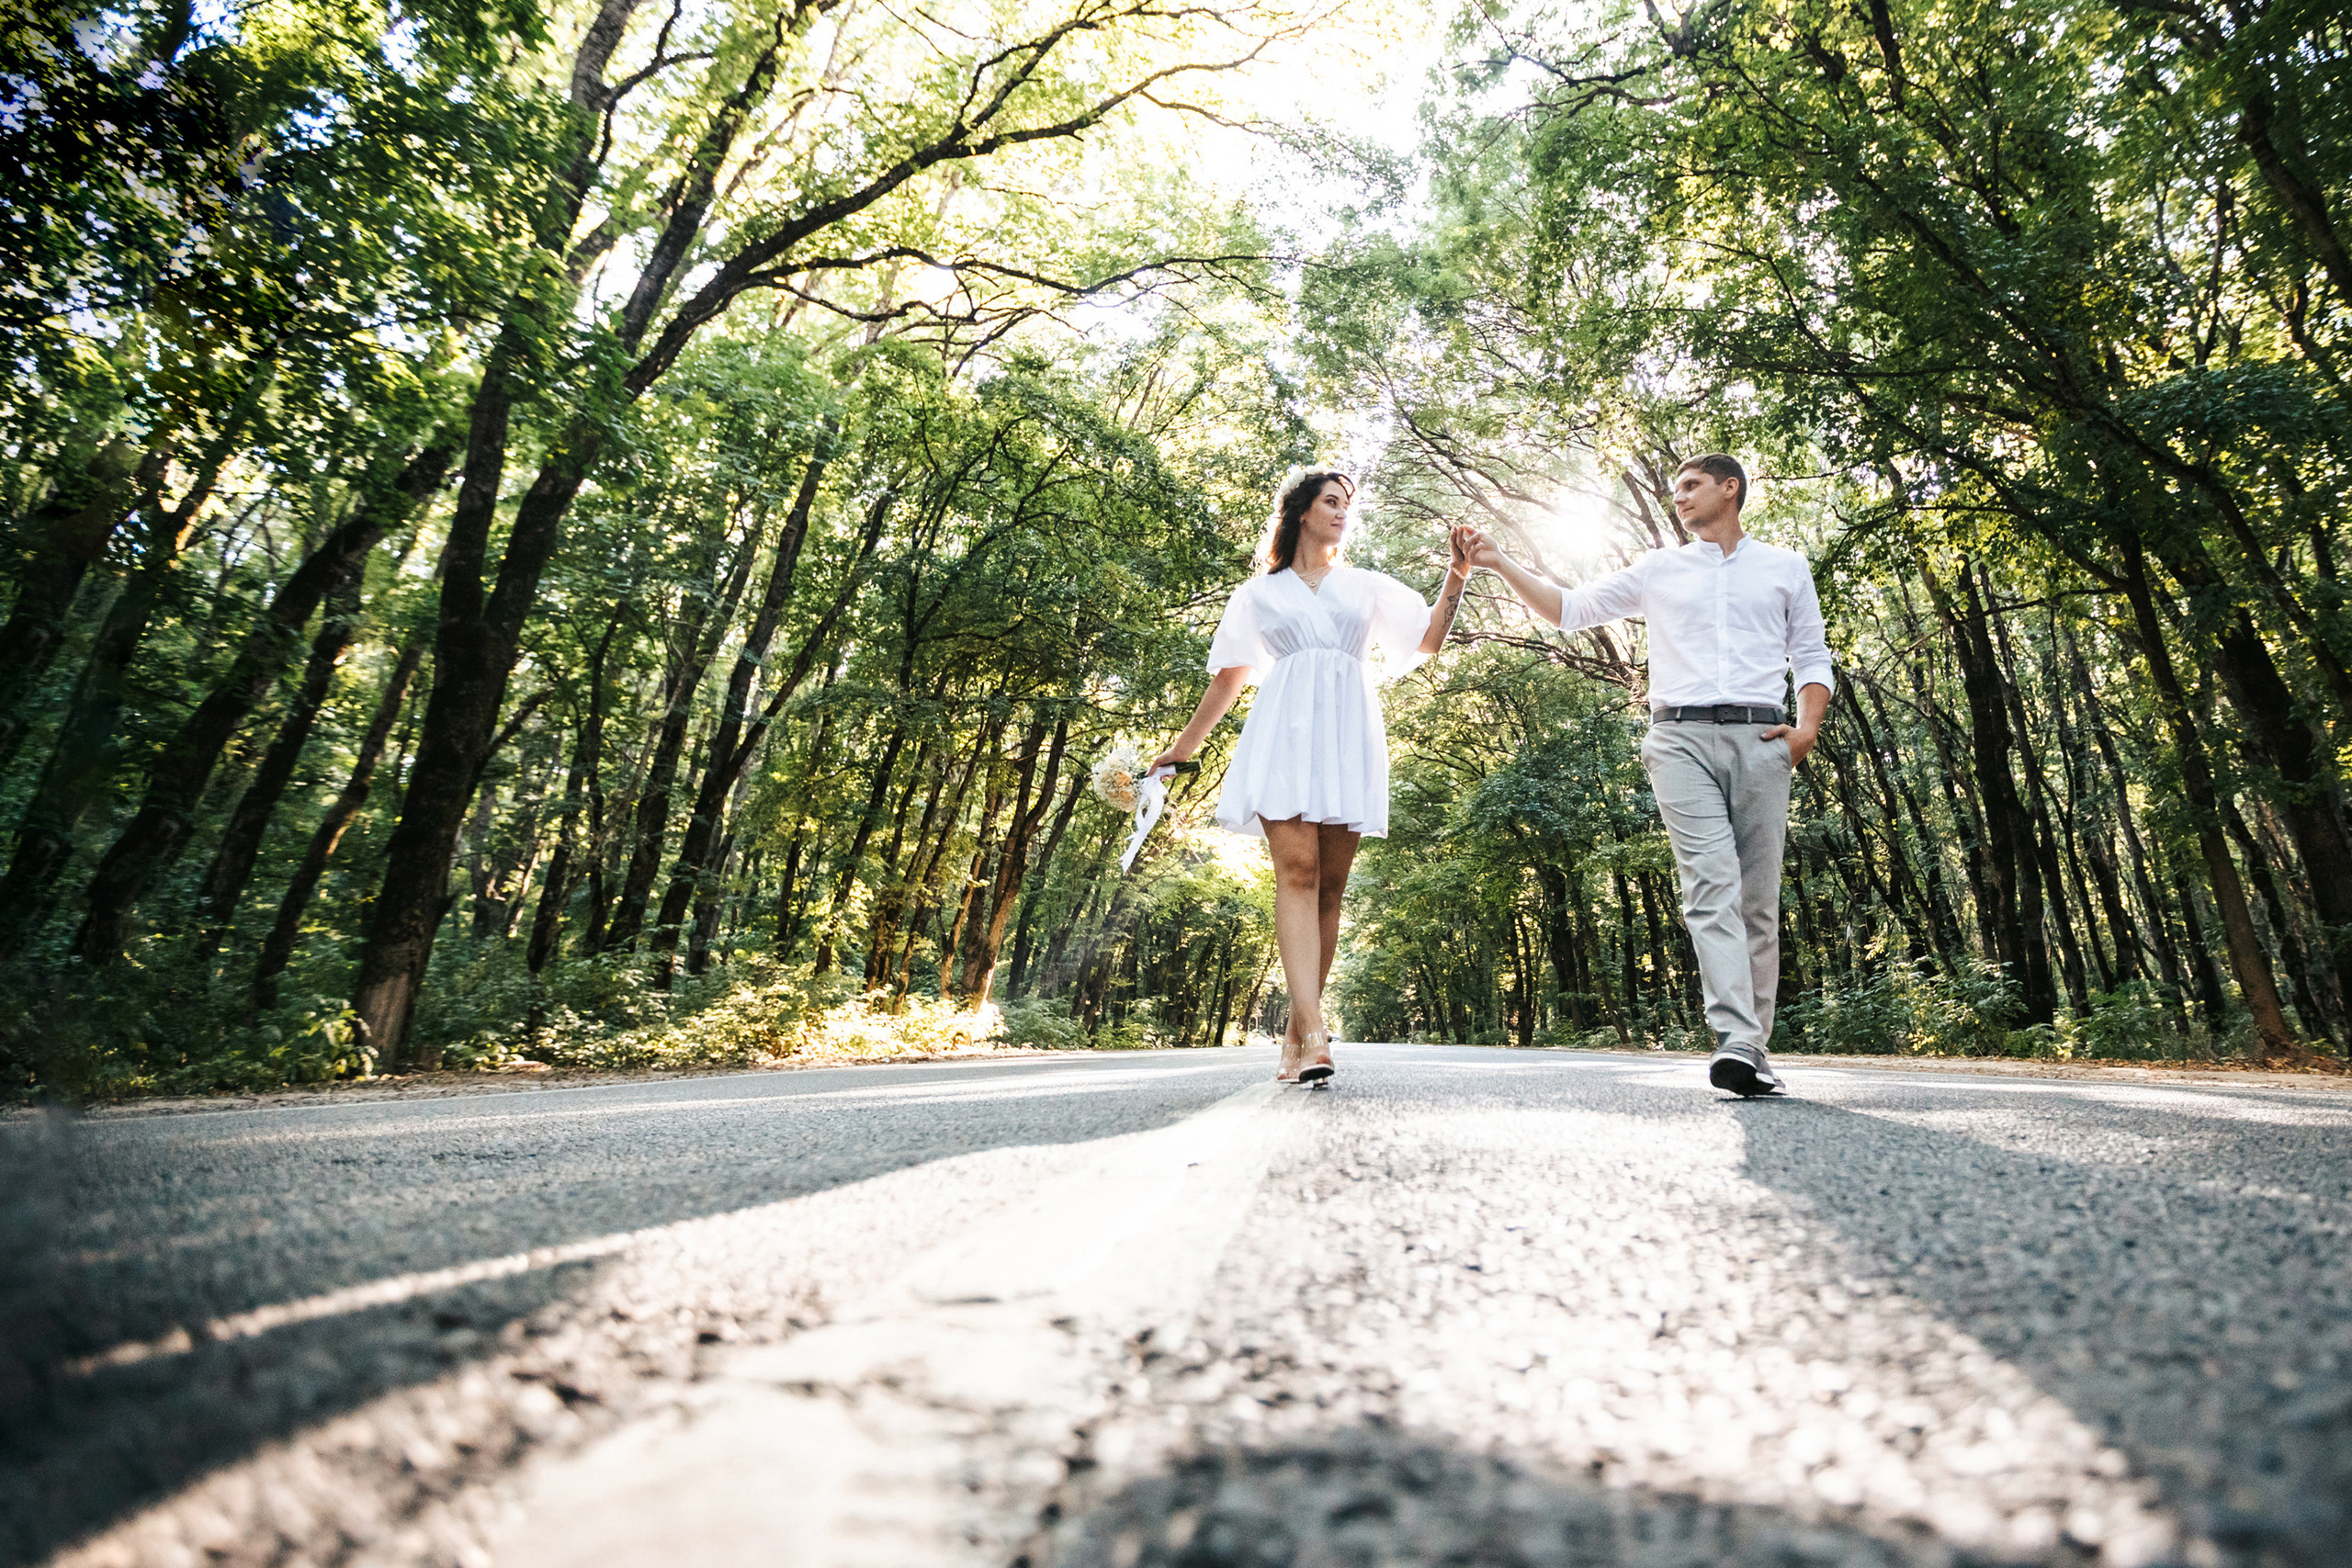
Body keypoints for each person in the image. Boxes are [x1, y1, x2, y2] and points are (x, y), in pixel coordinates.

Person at [1464, 455, 1833, 1097]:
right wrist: (1499, 561)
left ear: (1730, 488)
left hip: (1763, 737)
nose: (1679, 497)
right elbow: (1570, 609)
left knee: (1757, 902)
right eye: (1674, 490)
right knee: (1709, 886)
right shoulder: (1660, 568)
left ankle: (1755, 1045)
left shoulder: (1785, 567)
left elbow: (1811, 654)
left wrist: (1806, 730)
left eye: (1691, 486)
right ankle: (1738, 1040)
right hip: (1678, 738)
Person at [1153, 470, 1474, 1084]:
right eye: (1332, 501)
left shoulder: (1364, 584)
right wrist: (1180, 750)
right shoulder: (1258, 593)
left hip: (1347, 735)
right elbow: (1229, 677)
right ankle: (1316, 1031)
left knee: (1329, 887)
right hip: (1283, 733)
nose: (1342, 512)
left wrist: (1455, 575)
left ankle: (1297, 1035)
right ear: (1301, 511)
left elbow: (1428, 640)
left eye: (1348, 505)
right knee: (1297, 872)